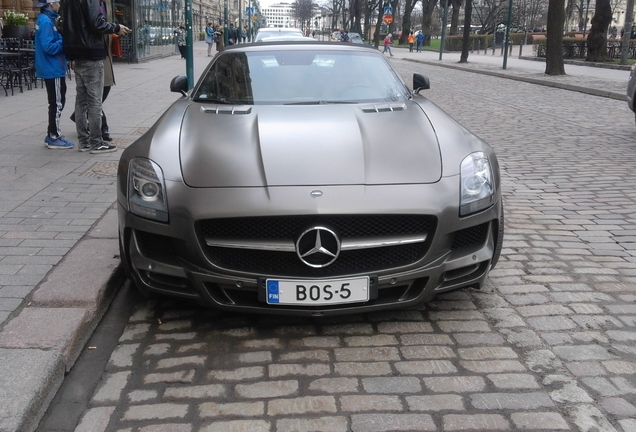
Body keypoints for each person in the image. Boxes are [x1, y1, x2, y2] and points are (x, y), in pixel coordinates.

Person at [61, 0, 129, 154]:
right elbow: (96, 23)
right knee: (94, 102)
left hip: (77, 54)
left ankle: (84, 142)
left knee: (81, 102)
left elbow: (67, 26)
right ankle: (96, 143)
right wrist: (116, 27)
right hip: (91, 52)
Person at [34, 0, 74, 149]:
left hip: (52, 67)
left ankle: (52, 132)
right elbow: (49, 47)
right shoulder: (46, 21)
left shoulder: (45, 19)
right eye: (58, 2)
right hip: (53, 68)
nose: (60, 5)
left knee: (57, 101)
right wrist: (64, 41)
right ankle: (54, 136)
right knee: (57, 103)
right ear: (52, 4)